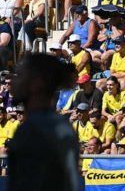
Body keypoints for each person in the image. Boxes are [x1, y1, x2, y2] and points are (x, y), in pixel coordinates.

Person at [8, 54, 80, 191]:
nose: (13, 81)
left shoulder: (39, 129)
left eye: (19, 75)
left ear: (37, 83)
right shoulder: (51, 124)